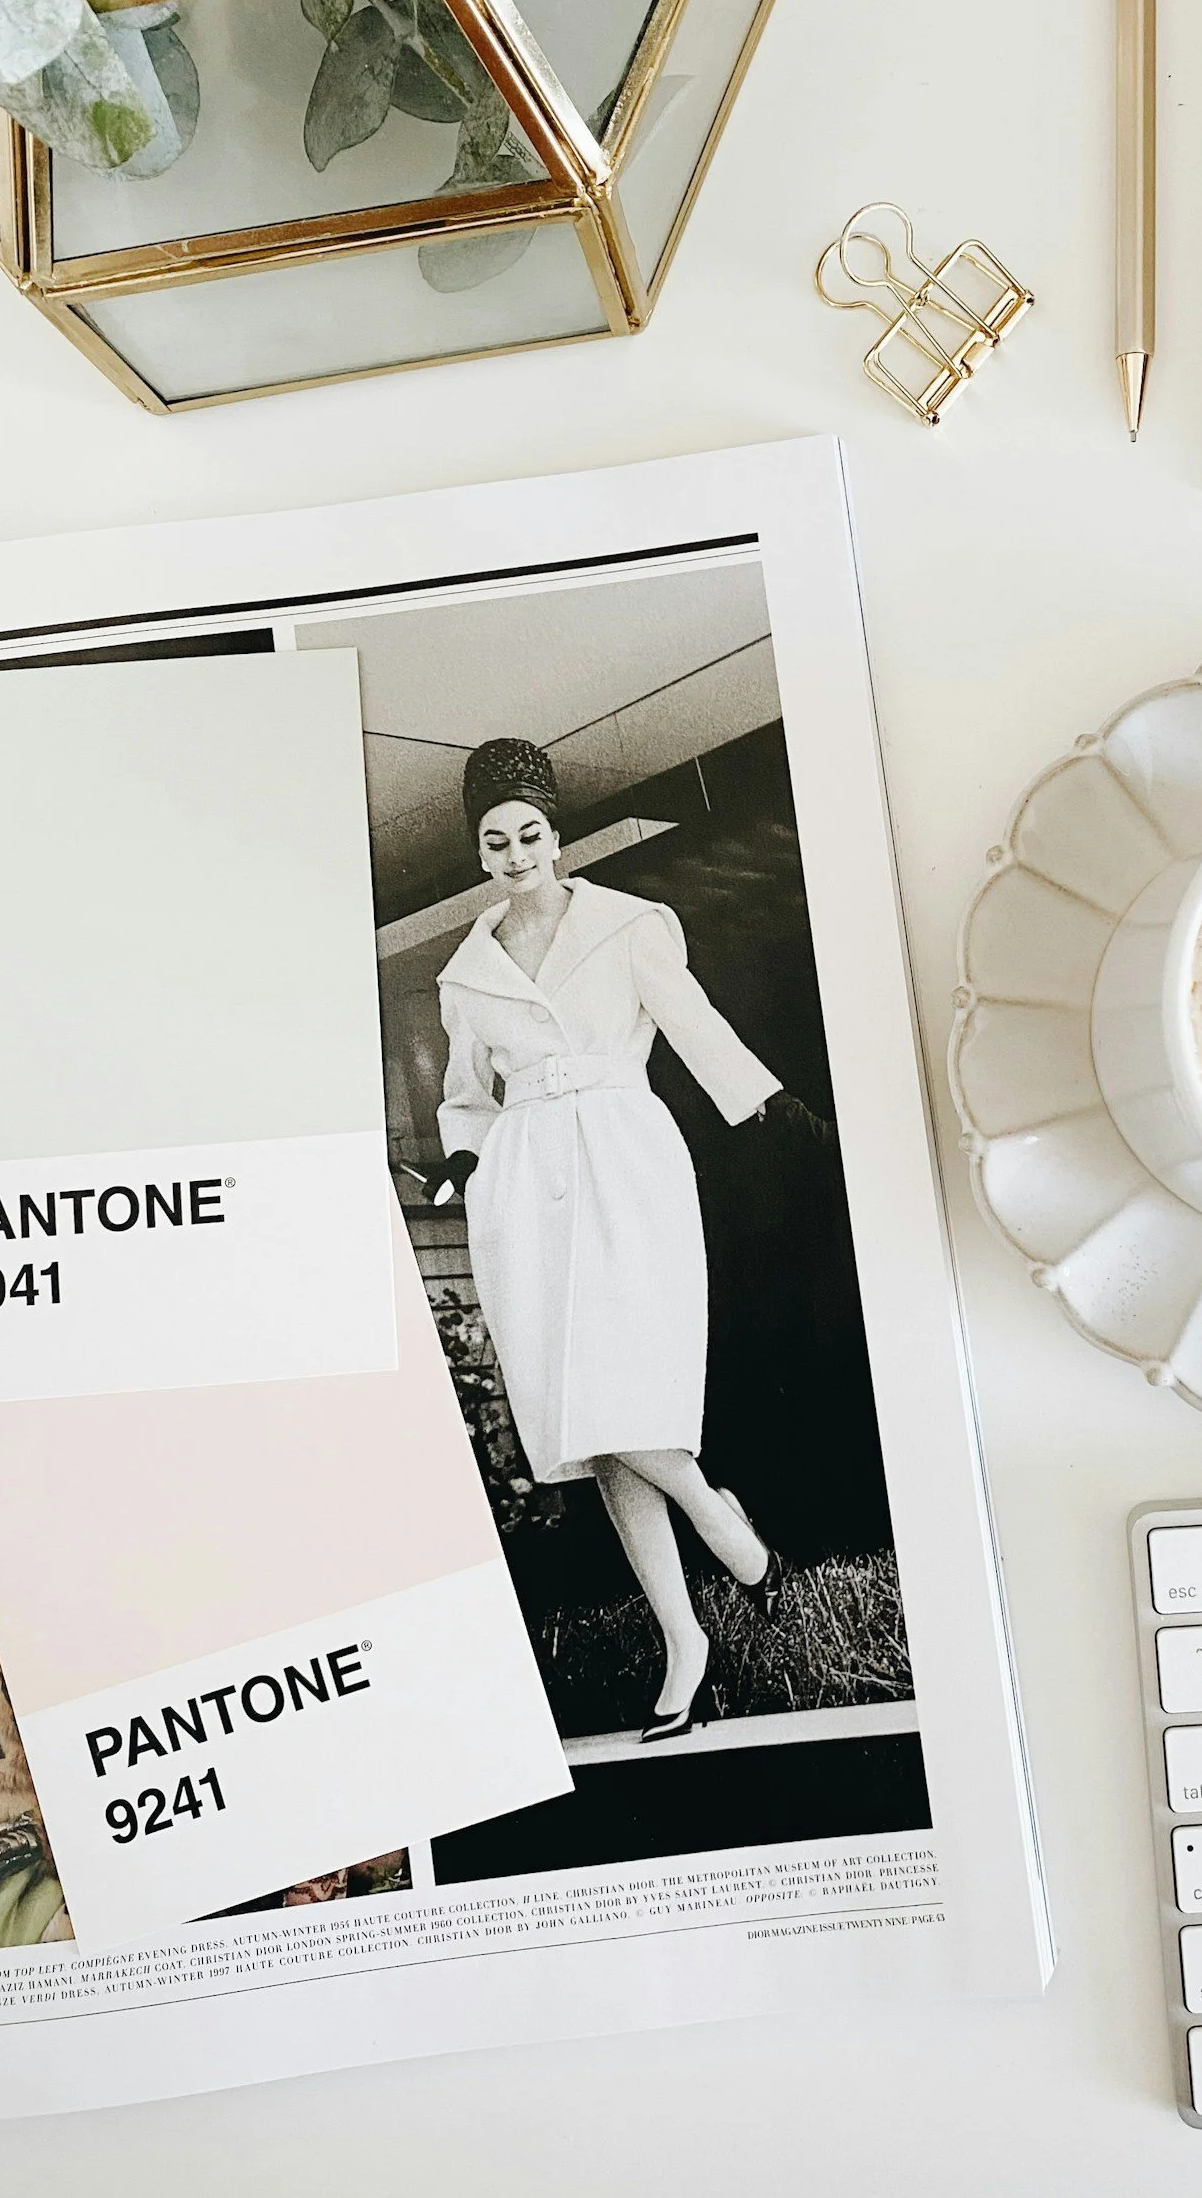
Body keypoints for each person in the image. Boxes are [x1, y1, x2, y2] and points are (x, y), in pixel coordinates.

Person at [435, 738, 787, 1742]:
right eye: (495, 841)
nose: (515, 855)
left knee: (622, 1386)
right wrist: (460, 1166)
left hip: (625, 1158)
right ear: (481, 851)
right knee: (586, 1423)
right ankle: (687, 1641)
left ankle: (722, 1522)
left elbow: (694, 1022)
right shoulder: (468, 973)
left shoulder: (630, 925)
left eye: (530, 835)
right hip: (523, 1184)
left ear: (557, 834)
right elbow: (466, 1098)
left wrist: (761, 1106)